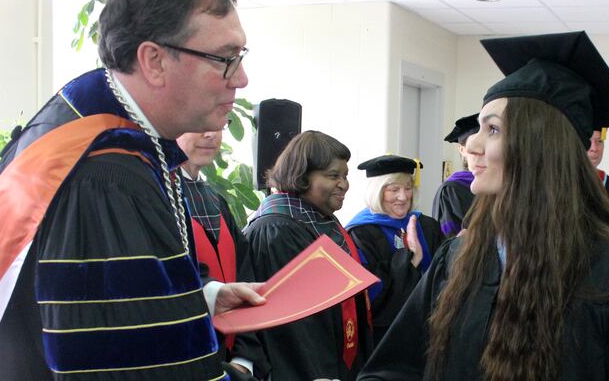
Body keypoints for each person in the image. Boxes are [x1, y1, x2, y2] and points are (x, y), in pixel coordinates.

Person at [0, 0, 264, 380]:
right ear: (153, 61)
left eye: (239, 56)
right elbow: (126, 360)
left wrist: (204, 295)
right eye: (224, 58)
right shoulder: (105, 175)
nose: (240, 78)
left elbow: (105, 296)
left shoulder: (94, 127)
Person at [359, 31, 609, 380]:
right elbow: (397, 368)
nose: (473, 146)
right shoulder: (458, 257)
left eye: (493, 130)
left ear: (541, 147)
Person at [245, 130, 373, 381]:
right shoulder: (276, 231)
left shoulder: (322, 219)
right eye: (333, 175)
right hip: (308, 369)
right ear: (301, 177)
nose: (344, 184)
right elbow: (293, 328)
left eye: (345, 176)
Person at [177, 130, 270, 380]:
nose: (210, 135)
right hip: (185, 357)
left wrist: (244, 360)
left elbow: (245, 277)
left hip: (232, 358)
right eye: (199, 125)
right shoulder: (160, 198)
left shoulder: (215, 200)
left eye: (218, 126)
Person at [345, 155, 445, 344]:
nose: (403, 196)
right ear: (377, 192)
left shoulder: (426, 225)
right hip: (387, 337)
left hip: (431, 329)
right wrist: (411, 261)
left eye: (408, 188)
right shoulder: (361, 233)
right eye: (394, 189)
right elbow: (370, 296)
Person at [432, 114, 479, 236]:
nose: (481, 151)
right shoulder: (452, 190)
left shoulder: (501, 183)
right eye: (475, 145)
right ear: (462, 150)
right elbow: (449, 240)